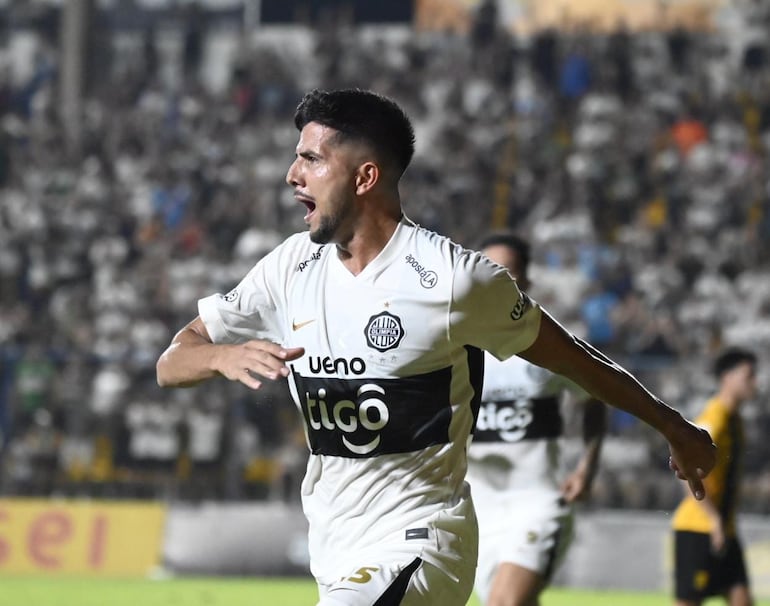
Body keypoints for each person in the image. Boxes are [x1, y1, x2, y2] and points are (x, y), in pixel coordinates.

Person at [156, 88, 715, 606]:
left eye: (311, 159)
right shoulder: (288, 267)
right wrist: (219, 355)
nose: (291, 174)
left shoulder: (453, 280)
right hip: (335, 546)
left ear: (365, 176)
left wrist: (677, 428)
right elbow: (171, 362)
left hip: (424, 541)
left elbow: (578, 362)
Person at [467, 231, 606, 606]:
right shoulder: (452, 347)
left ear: (525, 281)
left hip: (537, 503)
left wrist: (587, 467)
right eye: (486, 270)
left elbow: (596, 397)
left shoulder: (548, 345)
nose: (493, 278)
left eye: (505, 271)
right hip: (476, 509)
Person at [671, 347, 758, 606]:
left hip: (725, 527)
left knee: (741, 598)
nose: (754, 383)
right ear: (727, 378)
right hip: (698, 527)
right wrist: (713, 520)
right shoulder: (713, 419)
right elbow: (687, 472)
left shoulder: (736, 422)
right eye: (748, 376)